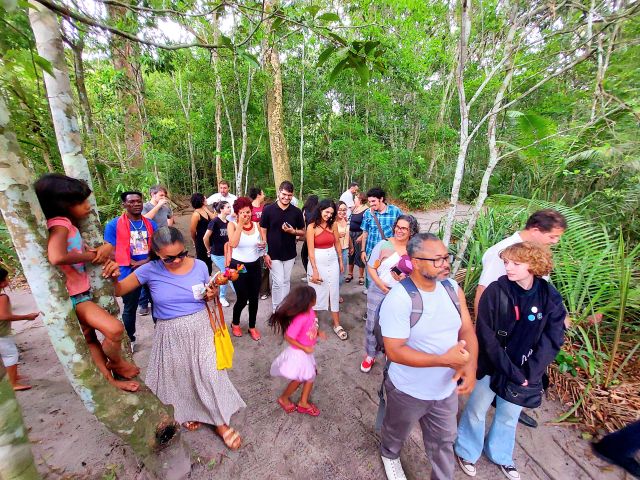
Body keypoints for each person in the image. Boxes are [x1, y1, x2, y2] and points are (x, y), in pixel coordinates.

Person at [113, 226, 246, 449]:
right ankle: (190, 409)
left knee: (210, 373)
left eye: (181, 254)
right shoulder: (149, 270)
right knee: (181, 375)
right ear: (156, 254)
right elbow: (118, 290)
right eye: (169, 258)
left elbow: (207, 294)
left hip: (202, 327)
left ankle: (220, 422)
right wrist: (112, 273)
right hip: (170, 332)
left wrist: (211, 294)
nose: (176, 261)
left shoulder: (201, 266)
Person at [455, 242, 567, 480]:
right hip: (492, 364)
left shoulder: (549, 296)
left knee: (509, 414)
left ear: (534, 265)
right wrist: (513, 372)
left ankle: (501, 454)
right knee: (477, 408)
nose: (509, 267)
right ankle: (466, 450)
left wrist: (531, 372)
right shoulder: (496, 291)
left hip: (526, 369)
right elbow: (485, 335)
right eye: (506, 262)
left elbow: (553, 337)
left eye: (516, 263)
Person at [379, 233, 478, 480]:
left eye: (447, 257)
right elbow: (395, 350)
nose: (446, 264)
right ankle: (389, 454)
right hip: (408, 389)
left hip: (445, 390)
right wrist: (446, 360)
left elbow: (466, 329)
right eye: (437, 260)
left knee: (445, 441)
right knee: (396, 430)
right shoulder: (399, 299)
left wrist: (471, 366)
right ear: (414, 261)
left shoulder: (453, 289)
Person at [34, 174, 140, 391]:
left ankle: (110, 381)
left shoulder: (70, 225)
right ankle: (117, 363)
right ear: (63, 205)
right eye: (81, 203)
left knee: (91, 338)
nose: (87, 207)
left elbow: (84, 250)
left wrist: (101, 251)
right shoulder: (60, 224)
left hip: (81, 292)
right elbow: (57, 256)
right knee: (115, 329)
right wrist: (91, 256)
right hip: (75, 296)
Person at [474, 208, 567, 429]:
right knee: (479, 403)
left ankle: (508, 398)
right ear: (535, 230)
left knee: (508, 406)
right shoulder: (506, 253)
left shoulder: (535, 255)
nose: (555, 242)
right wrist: (483, 341)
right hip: (499, 344)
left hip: (525, 348)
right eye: (552, 236)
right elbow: (483, 292)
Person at [361, 215, 419, 373]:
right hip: (378, 291)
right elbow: (371, 267)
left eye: (404, 228)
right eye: (398, 227)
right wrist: (382, 285)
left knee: (395, 325)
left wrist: (405, 278)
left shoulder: (414, 250)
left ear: (411, 231)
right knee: (372, 324)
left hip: (401, 295)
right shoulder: (383, 244)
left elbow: (417, 274)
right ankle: (370, 355)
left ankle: (390, 353)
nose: (399, 231)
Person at [104, 190, 157, 350]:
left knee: (157, 303)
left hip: (150, 268)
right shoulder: (114, 225)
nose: (136, 204)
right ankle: (130, 338)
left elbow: (157, 245)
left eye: (138, 201)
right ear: (124, 204)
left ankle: (162, 335)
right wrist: (130, 260)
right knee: (130, 307)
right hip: (128, 270)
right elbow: (110, 249)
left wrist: (146, 260)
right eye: (131, 202)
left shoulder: (150, 224)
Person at [270, 285, 326, 416]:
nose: (316, 299)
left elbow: (311, 327)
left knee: (310, 376)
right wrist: (304, 347)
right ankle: (284, 398)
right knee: (301, 378)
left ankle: (303, 402)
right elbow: (288, 337)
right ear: (309, 301)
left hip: (306, 352)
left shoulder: (311, 312)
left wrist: (318, 333)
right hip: (299, 353)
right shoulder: (300, 319)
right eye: (314, 297)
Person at [260, 181, 305, 312]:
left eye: (289, 195)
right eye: (284, 194)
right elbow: (263, 230)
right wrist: (265, 252)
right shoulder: (268, 210)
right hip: (273, 253)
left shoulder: (296, 212)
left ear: (293, 195)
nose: (286, 197)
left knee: (285, 281)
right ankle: (276, 309)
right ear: (279, 192)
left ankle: (284, 308)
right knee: (278, 282)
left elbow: (303, 231)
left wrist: (293, 232)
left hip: (290, 253)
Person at [306, 199, 347, 340]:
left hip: (332, 261)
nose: (329, 215)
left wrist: (341, 260)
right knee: (316, 292)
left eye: (331, 213)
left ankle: (337, 324)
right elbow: (310, 251)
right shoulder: (311, 227)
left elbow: (337, 243)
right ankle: (314, 322)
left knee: (334, 291)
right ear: (320, 210)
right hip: (317, 261)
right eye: (326, 211)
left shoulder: (333, 225)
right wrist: (315, 270)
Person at [227, 197, 266, 340]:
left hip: (255, 265)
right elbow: (233, 244)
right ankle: (235, 323)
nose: (246, 215)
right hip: (239, 266)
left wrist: (264, 248)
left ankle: (252, 326)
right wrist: (240, 225)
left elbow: (262, 243)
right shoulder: (231, 225)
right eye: (242, 213)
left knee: (254, 298)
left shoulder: (257, 225)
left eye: (248, 212)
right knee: (243, 298)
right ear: (237, 213)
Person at [0, 267, 39, 391]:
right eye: (7, 278)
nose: (8, 280)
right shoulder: (2, 297)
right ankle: (12, 383)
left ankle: (14, 376)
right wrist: (27, 316)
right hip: (1, 333)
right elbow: (4, 316)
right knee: (11, 355)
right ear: (2, 282)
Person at [360, 187, 402, 294]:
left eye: (373, 201)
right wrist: (363, 251)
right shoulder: (368, 213)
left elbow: (404, 228)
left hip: (389, 253)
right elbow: (365, 233)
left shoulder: (395, 211)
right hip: (371, 251)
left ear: (381, 199)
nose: (371, 204)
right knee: (371, 277)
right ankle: (371, 297)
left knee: (389, 278)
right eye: (369, 202)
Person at [139, 185, 173, 316]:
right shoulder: (146, 206)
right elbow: (145, 220)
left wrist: (169, 230)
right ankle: (143, 303)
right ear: (153, 195)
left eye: (164, 196)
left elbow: (170, 217)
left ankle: (162, 298)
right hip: (149, 243)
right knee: (147, 270)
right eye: (161, 195)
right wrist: (158, 206)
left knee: (164, 267)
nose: (163, 198)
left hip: (164, 241)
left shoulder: (166, 207)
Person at [203, 201, 233, 307]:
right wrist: (208, 249)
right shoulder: (214, 221)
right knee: (226, 273)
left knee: (227, 273)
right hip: (217, 254)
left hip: (227, 253)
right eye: (228, 207)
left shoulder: (228, 222)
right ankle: (222, 297)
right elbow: (205, 237)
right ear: (221, 209)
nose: (230, 209)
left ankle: (230, 294)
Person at [249, 187, 270, 300]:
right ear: (258, 194)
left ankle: (264, 291)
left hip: (265, 239)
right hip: (253, 240)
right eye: (263, 193)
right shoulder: (249, 208)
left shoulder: (265, 208)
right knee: (252, 266)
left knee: (264, 265)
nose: (264, 195)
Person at [189, 193, 215, 274]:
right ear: (201, 201)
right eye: (205, 199)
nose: (206, 200)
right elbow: (192, 230)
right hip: (200, 241)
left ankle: (209, 277)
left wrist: (206, 208)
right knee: (203, 262)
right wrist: (194, 240)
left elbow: (214, 218)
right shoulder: (196, 214)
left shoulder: (205, 211)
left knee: (209, 260)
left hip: (209, 240)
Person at [346, 192, 367, 285]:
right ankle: (350, 274)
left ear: (360, 199)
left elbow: (367, 226)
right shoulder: (354, 209)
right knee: (351, 254)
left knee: (359, 254)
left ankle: (361, 276)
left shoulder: (366, 210)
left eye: (355, 198)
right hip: (351, 234)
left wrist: (362, 236)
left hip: (360, 234)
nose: (354, 199)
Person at [300, 195, 319, 276]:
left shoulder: (305, 210)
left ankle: (309, 273)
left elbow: (303, 223)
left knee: (304, 255)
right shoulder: (318, 210)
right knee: (314, 254)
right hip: (318, 234)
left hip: (308, 235)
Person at [336, 201, 350, 288]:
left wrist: (351, 246)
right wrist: (336, 235)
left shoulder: (347, 220)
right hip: (334, 250)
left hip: (345, 249)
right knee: (333, 273)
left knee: (342, 272)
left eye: (344, 210)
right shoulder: (332, 222)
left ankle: (337, 292)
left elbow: (349, 234)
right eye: (340, 210)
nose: (342, 212)